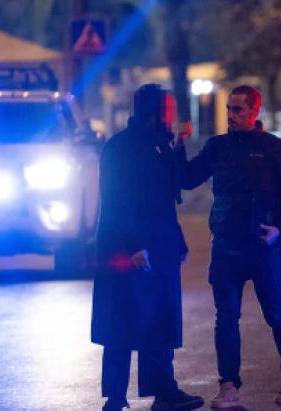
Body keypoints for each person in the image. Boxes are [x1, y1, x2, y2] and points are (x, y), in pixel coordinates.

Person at [180, 86, 281, 409]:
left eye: (237, 109)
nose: (231, 115)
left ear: (254, 111)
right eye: (228, 108)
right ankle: (228, 386)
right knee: (226, 318)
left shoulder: (275, 148)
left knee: (276, 313)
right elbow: (187, 179)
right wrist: (179, 144)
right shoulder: (217, 147)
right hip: (225, 246)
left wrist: (279, 229)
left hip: (262, 247)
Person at [90, 84, 204, 411]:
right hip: (127, 249)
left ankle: (163, 391)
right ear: (153, 111)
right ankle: (115, 397)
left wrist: (179, 145)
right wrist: (134, 245)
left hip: (159, 246)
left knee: (159, 320)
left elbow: (172, 191)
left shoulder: (160, 146)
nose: (172, 116)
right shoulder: (120, 147)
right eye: (167, 110)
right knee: (122, 320)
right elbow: (116, 200)